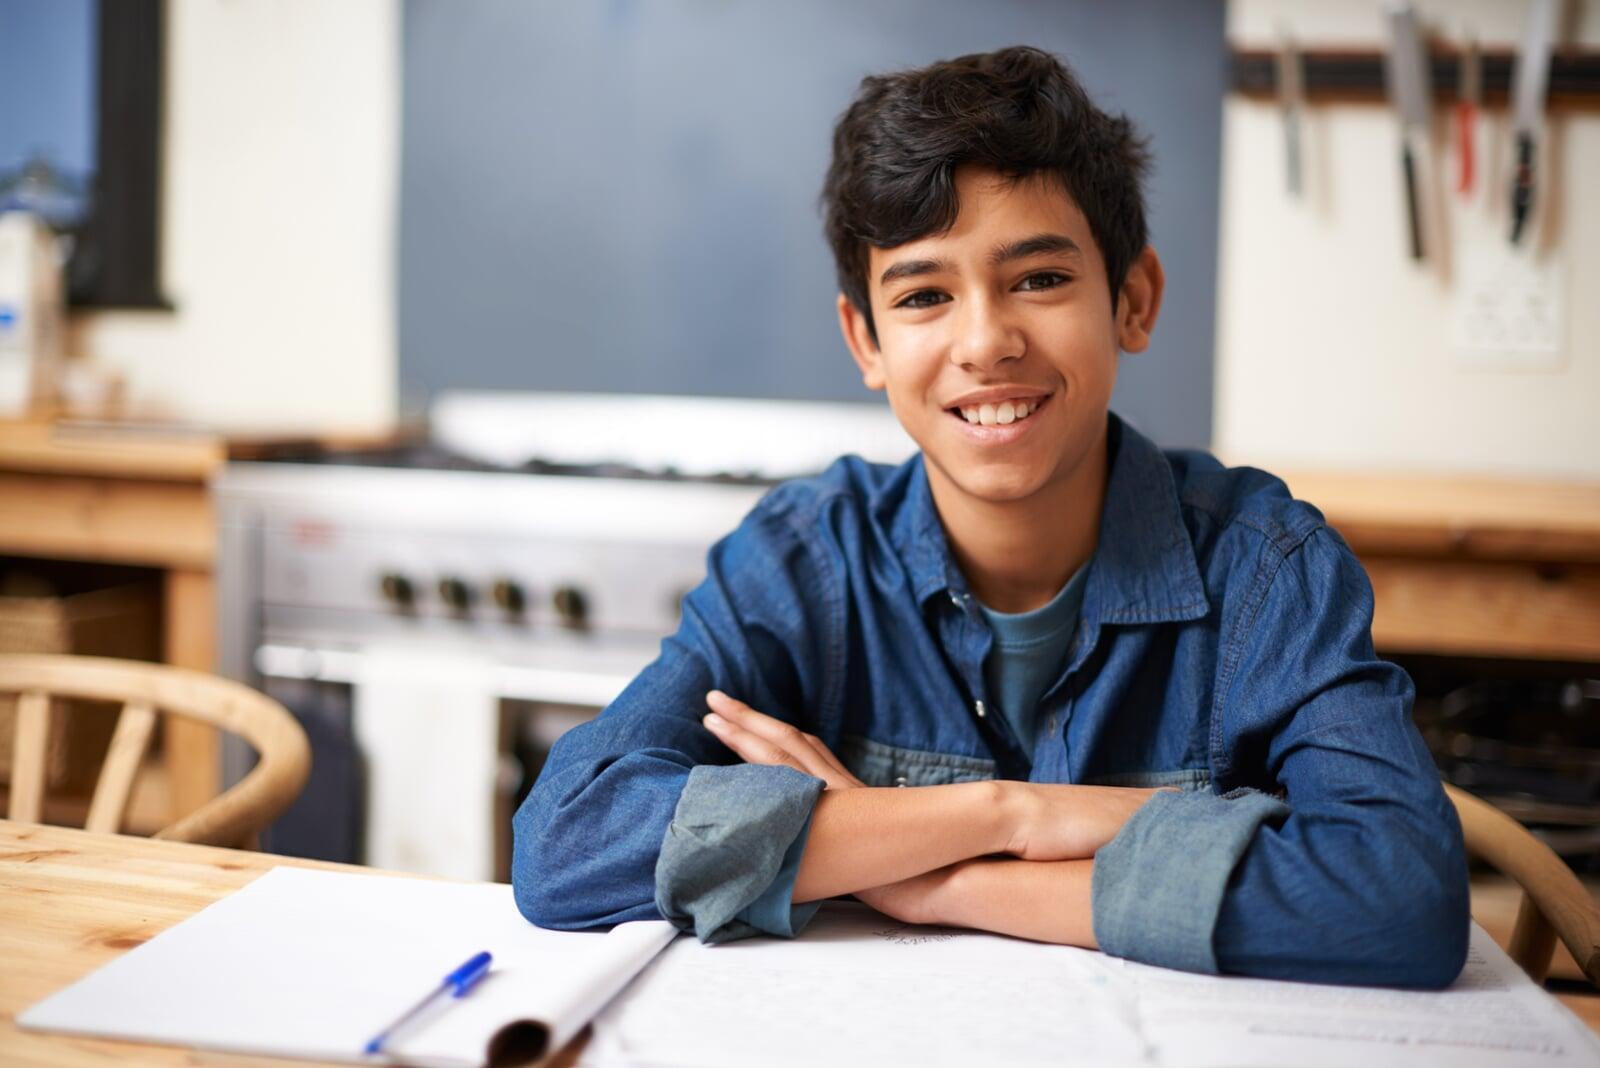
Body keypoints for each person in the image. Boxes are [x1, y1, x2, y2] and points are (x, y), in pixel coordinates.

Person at [511, 45, 1468, 988]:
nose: (985, 342)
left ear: (1132, 300)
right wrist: (1007, 815)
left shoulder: (1266, 567)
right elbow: (568, 842)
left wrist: (940, 885)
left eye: (1040, 279)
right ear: (867, 340)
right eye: (925, 295)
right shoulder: (805, 562)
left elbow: (1400, 895)